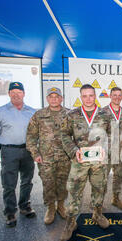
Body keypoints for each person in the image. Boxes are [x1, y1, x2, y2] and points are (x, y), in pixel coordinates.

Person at [60, 84, 111, 241]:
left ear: (95, 96)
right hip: (79, 161)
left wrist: (105, 149)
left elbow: (111, 135)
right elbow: (64, 135)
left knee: (99, 189)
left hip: (99, 162)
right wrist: (74, 150)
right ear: (80, 97)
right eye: (85, 96)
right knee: (74, 192)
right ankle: (71, 222)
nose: (88, 99)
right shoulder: (72, 115)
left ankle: (97, 214)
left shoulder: (104, 114)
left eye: (91, 95)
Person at [0, 81, 36, 228]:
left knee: (27, 181)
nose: (16, 95)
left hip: (28, 151)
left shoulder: (32, 112)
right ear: (9, 94)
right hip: (9, 151)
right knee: (9, 184)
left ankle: (25, 206)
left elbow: (37, 134)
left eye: (18, 92)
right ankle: (10, 212)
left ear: (24, 94)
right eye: (13, 92)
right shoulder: (0, 112)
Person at [26, 87, 71, 225]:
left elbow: (76, 135)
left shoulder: (69, 114)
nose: (54, 99)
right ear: (47, 99)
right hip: (45, 158)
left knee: (62, 183)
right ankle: (51, 208)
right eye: (51, 96)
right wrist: (35, 154)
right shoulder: (39, 115)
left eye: (56, 96)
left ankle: (61, 206)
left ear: (61, 98)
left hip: (65, 157)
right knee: (48, 184)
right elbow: (31, 136)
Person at [103, 87, 122, 210]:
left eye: (119, 95)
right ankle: (98, 202)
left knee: (119, 175)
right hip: (105, 150)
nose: (117, 97)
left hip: (120, 149)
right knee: (102, 176)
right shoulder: (102, 112)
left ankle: (116, 198)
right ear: (110, 96)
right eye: (114, 95)